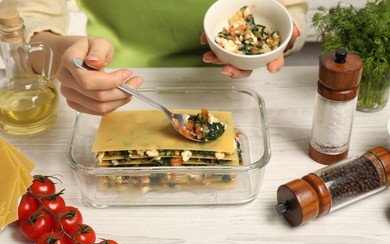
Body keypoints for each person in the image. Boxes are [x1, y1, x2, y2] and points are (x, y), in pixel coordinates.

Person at [0, 0, 308, 115]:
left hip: (231, 93)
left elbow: (291, 9)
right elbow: (27, 19)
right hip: (106, 82)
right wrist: (64, 54)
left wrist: (282, 38)